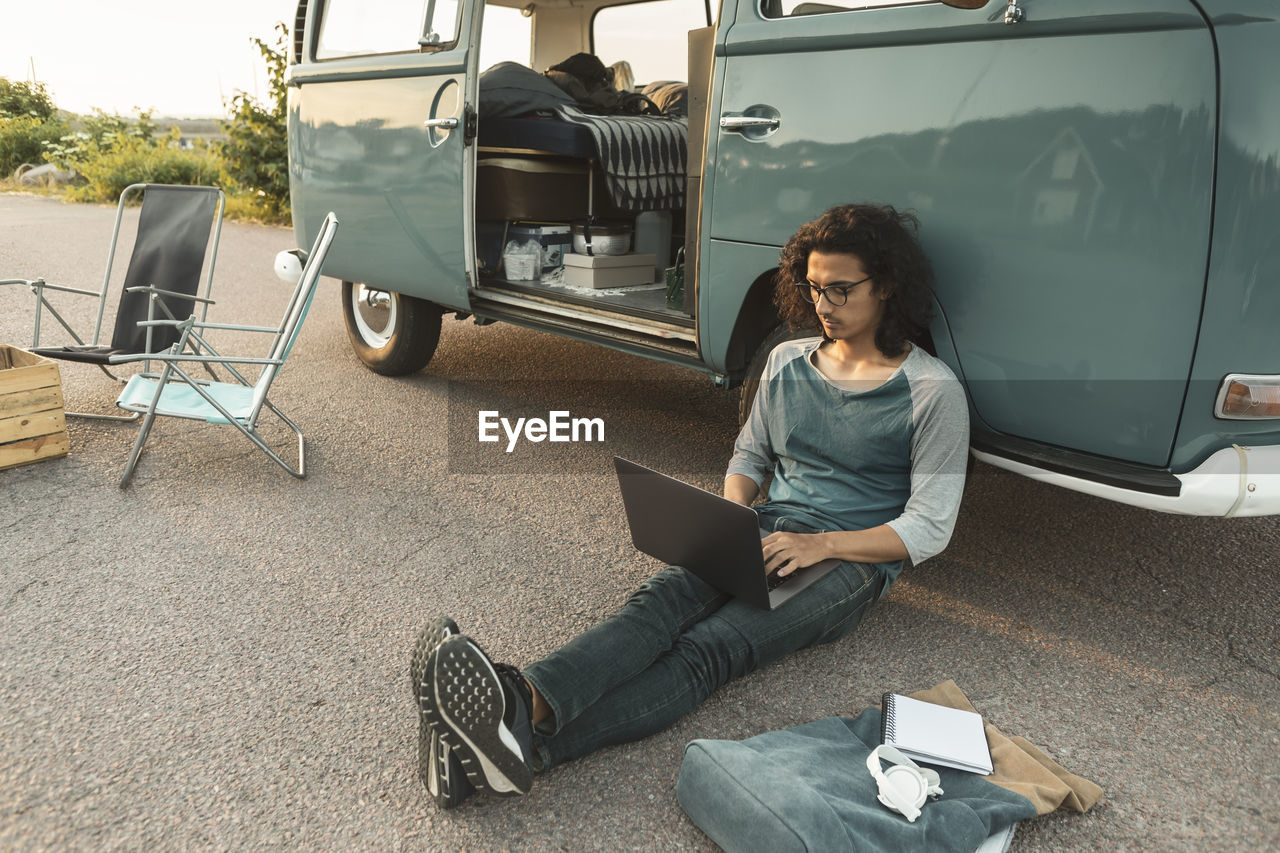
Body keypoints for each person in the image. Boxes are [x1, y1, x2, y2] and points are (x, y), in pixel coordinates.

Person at [409, 203, 971, 808]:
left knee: (706, 651)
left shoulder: (932, 390)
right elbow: (750, 459)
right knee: (658, 604)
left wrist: (821, 545)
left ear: (885, 285)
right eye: (813, 289)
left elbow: (929, 528)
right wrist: (730, 518)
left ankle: (525, 748)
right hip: (764, 528)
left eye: (840, 290)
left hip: (850, 558)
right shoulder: (785, 361)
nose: (824, 306)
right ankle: (521, 701)